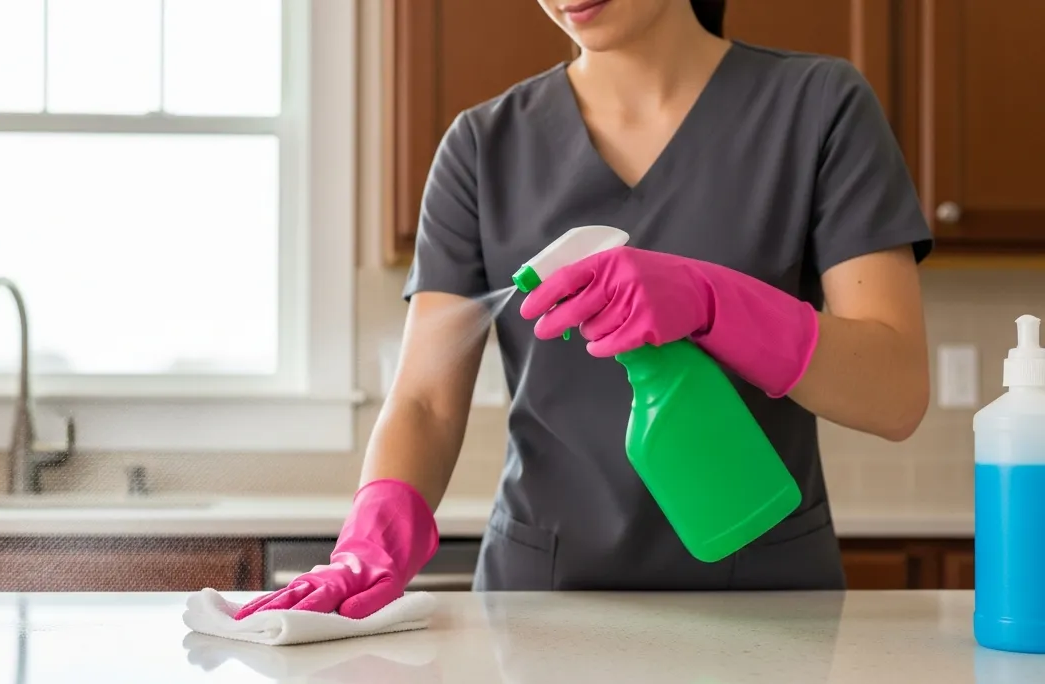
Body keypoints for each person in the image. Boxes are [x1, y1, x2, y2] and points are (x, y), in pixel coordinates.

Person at [238, 0, 930, 619]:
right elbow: (425, 400)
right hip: (540, 609)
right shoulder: (482, 147)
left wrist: (714, 302)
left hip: (770, 607)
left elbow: (895, 393)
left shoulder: (819, 108)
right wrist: (373, 537)